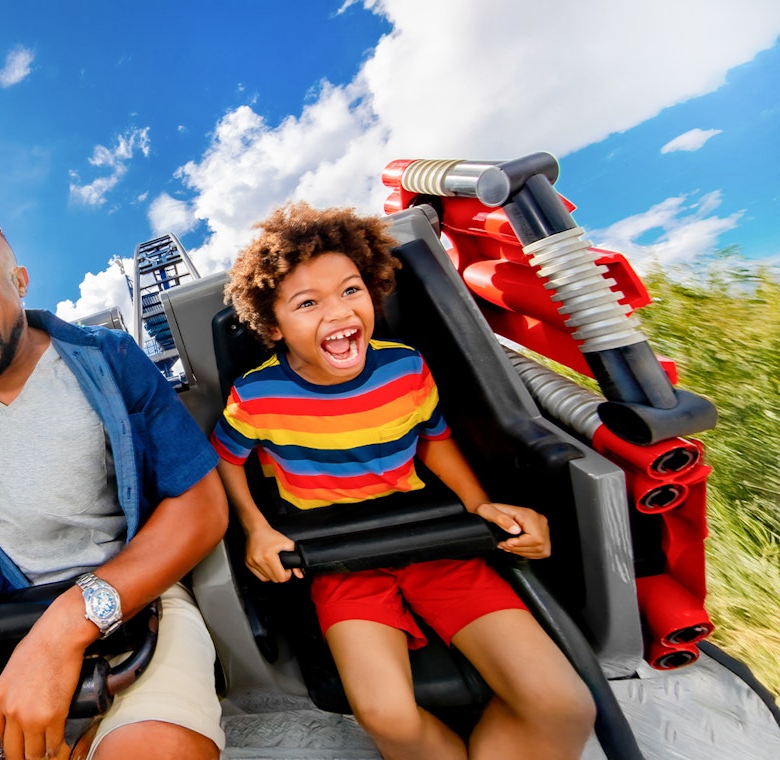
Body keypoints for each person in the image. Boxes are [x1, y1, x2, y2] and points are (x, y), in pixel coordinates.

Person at [210, 203, 595, 760]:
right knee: (386, 715)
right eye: (308, 303)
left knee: (564, 705)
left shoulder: (406, 368)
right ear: (273, 327)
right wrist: (258, 529)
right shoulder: (256, 395)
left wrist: (482, 506)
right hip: (336, 554)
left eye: (350, 291)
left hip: (427, 536)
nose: (339, 313)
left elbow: (435, 443)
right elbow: (227, 458)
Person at [0, 212, 229, 760]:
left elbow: (202, 503)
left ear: (18, 282)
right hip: (3, 615)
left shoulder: (108, 358)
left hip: (139, 598)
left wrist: (67, 625)